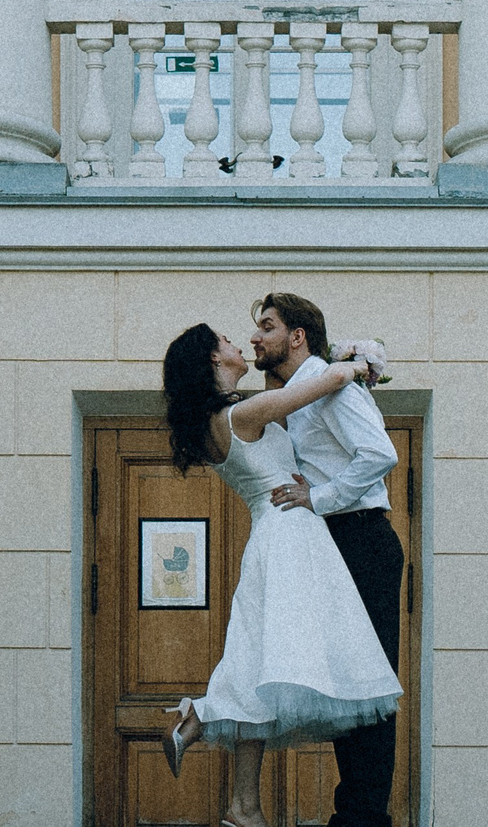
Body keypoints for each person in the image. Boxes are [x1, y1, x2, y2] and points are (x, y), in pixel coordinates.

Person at [158, 323, 402, 827]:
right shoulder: (241, 414)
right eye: (226, 340)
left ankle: (242, 803)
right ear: (211, 361)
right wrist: (358, 365)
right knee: (274, 659)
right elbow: (320, 386)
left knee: (260, 660)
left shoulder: (218, 419)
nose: (238, 342)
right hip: (290, 534)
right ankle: (207, 734)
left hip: (274, 536)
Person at [250, 293, 402, 827]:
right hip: (340, 542)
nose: (254, 338)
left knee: (370, 682)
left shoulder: (332, 385)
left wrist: (321, 497)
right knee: (348, 679)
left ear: (297, 336)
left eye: (266, 327)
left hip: (361, 540)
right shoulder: (304, 391)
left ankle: (363, 816)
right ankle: (356, 812)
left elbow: (381, 454)